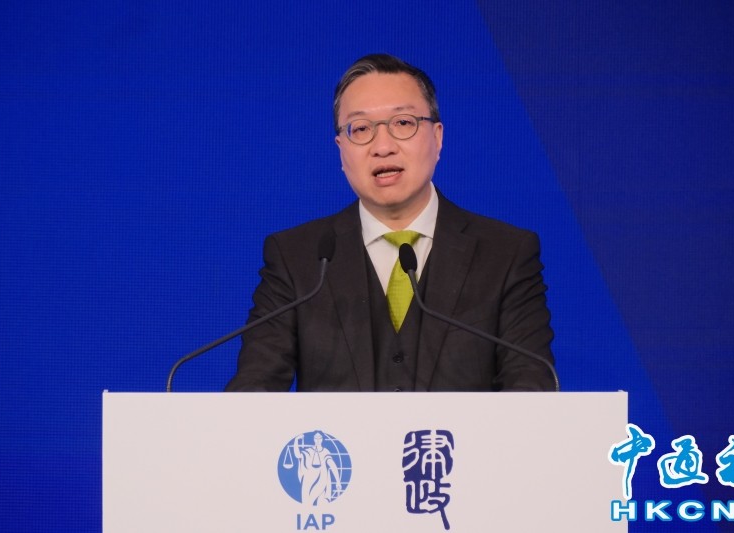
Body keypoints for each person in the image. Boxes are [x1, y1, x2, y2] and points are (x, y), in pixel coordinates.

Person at [225, 53, 555, 392]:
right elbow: (253, 390)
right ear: (341, 150)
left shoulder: (505, 254)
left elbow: (531, 389)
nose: (382, 147)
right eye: (361, 129)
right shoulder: (298, 257)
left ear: (438, 137)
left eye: (403, 123)